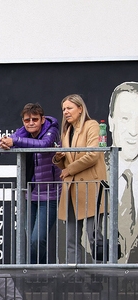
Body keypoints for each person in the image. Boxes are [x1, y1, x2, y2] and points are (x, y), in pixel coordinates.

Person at [0, 103, 62, 264]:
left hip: (50, 195)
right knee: (30, 240)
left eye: (35, 119)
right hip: (29, 194)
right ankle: (38, 275)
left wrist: (15, 141)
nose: (31, 123)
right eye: (27, 120)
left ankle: (36, 273)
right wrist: (3, 143)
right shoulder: (23, 132)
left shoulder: (51, 130)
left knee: (37, 240)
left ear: (42, 119)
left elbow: (43, 145)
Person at [55, 94, 109, 264]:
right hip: (71, 190)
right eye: (63, 109)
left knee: (94, 236)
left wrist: (69, 169)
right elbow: (67, 163)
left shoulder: (91, 126)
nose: (65, 112)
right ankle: (74, 278)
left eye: (69, 108)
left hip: (91, 188)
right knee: (71, 239)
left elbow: (93, 155)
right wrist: (58, 158)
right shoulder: (67, 131)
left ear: (80, 109)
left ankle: (100, 276)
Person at [108, 82, 138, 262]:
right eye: (125, 119)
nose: (134, 131)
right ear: (111, 122)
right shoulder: (92, 174)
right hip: (101, 283)